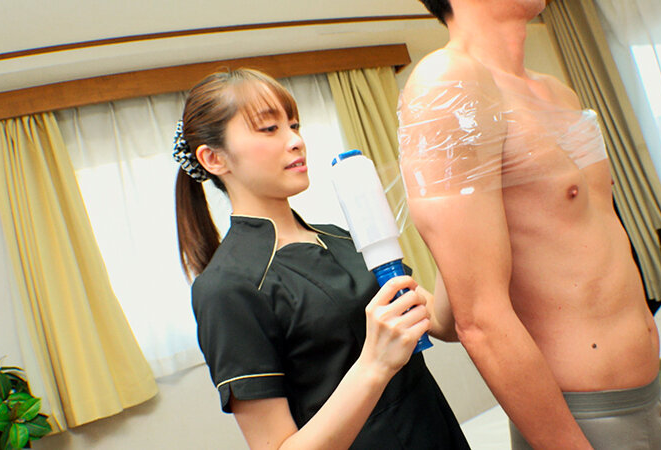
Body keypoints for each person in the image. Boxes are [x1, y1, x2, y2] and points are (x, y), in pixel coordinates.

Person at [397, 1, 661, 449]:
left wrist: (437, 307)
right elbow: (479, 321)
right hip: (582, 419)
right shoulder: (447, 84)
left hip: (649, 400)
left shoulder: (558, 94)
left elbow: (464, 301)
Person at [173, 68, 470, 449]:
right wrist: (375, 364)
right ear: (214, 159)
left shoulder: (341, 237)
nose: (296, 141)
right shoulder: (226, 288)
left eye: (294, 125)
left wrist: (448, 223)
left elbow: (444, 324)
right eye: (269, 129)